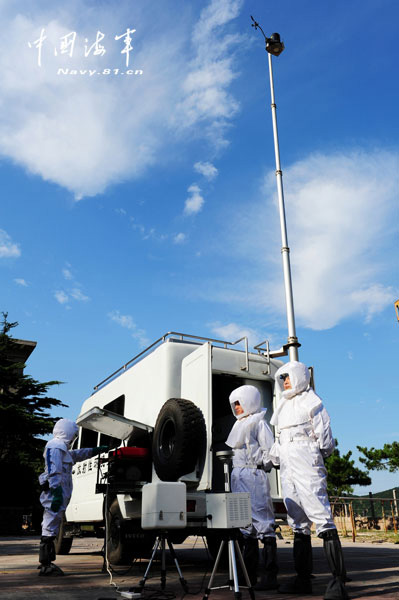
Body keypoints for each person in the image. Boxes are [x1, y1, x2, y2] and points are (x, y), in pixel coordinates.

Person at [270, 361, 348, 600]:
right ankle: (302, 579)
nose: (285, 382)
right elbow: (279, 437)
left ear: (300, 376)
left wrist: (312, 453)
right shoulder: (282, 406)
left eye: (288, 377)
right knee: (297, 520)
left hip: (306, 461)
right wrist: (274, 457)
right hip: (287, 465)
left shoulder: (314, 402)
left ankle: (338, 583)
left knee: (321, 516)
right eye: (282, 378)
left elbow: (325, 440)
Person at [38, 418, 107, 576]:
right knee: (49, 526)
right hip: (55, 494)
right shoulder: (55, 446)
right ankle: (45, 564)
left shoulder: (62, 448)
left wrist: (95, 451)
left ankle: (47, 563)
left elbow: (76, 455)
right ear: (67, 431)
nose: (74, 437)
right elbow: (53, 470)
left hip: (59, 494)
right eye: (73, 434)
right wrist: (55, 493)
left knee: (52, 525)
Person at [225, 385, 278, 590]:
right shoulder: (238, 424)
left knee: (263, 523)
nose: (236, 407)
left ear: (249, 401)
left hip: (254, 475)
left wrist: (262, 467)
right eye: (234, 404)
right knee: (245, 525)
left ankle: (270, 576)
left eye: (239, 403)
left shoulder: (259, 423)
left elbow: (269, 450)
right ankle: (248, 576)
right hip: (239, 476)